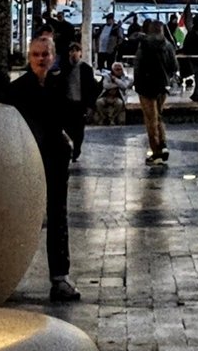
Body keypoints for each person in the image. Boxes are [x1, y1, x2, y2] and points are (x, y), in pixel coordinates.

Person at [8, 37, 81, 302]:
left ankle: (59, 277)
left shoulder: (60, 86)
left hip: (55, 159)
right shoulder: (17, 89)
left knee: (58, 215)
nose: (40, 59)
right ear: (29, 58)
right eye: (36, 55)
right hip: (27, 159)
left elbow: (74, 115)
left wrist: (71, 144)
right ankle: (7, 274)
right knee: (19, 216)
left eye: (45, 54)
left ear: (53, 56)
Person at [134, 20, 175, 163]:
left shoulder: (144, 44)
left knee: (150, 119)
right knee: (159, 116)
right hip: (162, 86)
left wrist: (137, 83)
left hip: (146, 86)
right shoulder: (168, 45)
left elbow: (138, 66)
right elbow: (174, 66)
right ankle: (163, 145)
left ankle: (156, 153)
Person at [62, 39, 99, 161]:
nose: (74, 53)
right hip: (68, 103)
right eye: (71, 51)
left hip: (80, 103)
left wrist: (90, 106)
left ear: (80, 53)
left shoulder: (86, 69)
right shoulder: (65, 68)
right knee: (67, 126)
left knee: (79, 129)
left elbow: (91, 88)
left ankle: (77, 149)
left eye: (76, 51)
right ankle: (72, 146)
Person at [96, 61, 132, 126]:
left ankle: (112, 118)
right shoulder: (107, 76)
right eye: (117, 69)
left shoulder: (125, 77)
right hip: (106, 96)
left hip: (118, 97)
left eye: (120, 69)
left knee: (119, 103)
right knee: (99, 102)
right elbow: (106, 85)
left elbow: (125, 86)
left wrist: (115, 79)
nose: (119, 71)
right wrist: (118, 85)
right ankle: (103, 117)